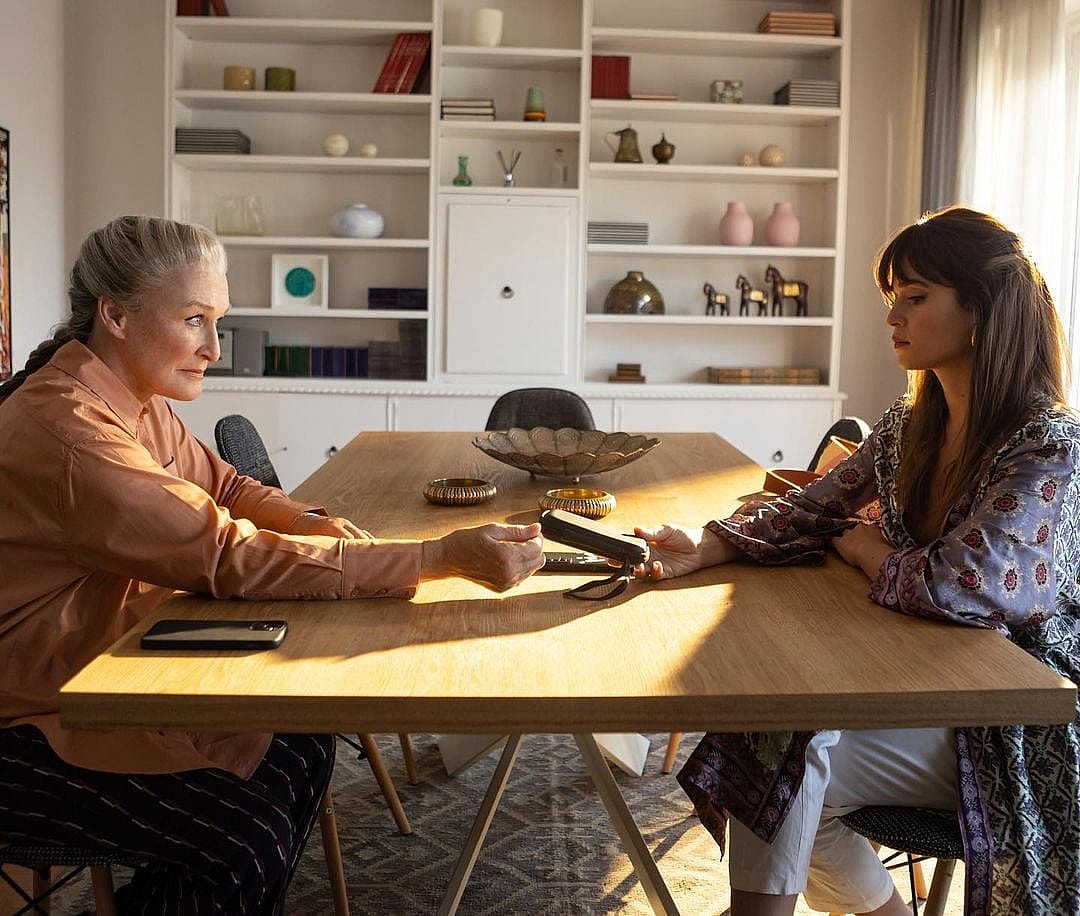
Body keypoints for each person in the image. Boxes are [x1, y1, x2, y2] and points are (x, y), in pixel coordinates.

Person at [0, 215, 544, 912]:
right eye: (194, 320)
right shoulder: (73, 435)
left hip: (105, 661)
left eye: (217, 322)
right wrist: (435, 557)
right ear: (116, 315)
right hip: (35, 710)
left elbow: (225, 487)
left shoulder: (132, 399)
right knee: (242, 839)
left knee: (300, 743)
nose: (214, 347)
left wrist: (310, 523)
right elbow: (225, 554)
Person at [631, 207, 1080, 915]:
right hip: (915, 677)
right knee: (769, 742)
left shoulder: (1047, 443)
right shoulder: (910, 424)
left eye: (915, 297)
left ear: (980, 309)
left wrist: (868, 548)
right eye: (891, 298)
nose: (893, 317)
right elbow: (814, 507)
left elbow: (962, 584)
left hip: (1016, 715)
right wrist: (708, 545)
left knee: (783, 754)